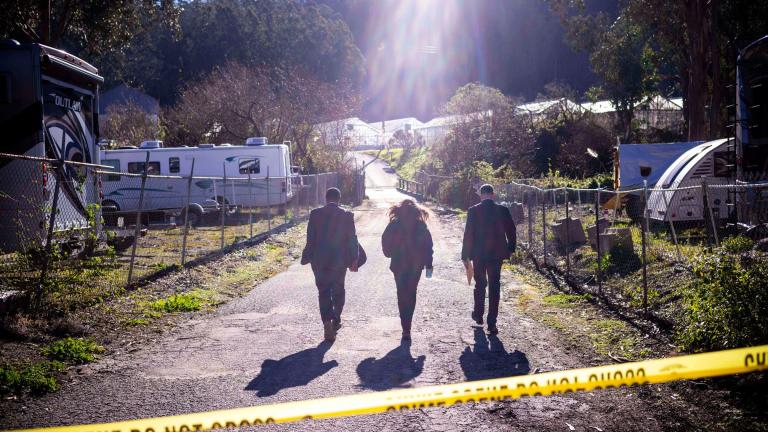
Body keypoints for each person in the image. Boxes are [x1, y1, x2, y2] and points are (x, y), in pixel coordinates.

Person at [301, 187, 359, 342]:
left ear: (326, 199)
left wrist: (308, 256)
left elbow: (310, 238)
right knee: (338, 290)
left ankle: (327, 321)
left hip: (319, 260)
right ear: (339, 199)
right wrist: (355, 258)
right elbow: (352, 238)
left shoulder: (315, 214)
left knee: (323, 291)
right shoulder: (346, 215)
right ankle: (336, 320)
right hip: (339, 261)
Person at [461, 184, 516, 335]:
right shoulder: (502, 210)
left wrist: (465, 254)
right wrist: (511, 249)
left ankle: (478, 315)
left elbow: (468, 234)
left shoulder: (473, 211)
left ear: (481, 195)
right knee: (494, 285)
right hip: (497, 254)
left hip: (479, 254)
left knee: (480, 284)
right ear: (493, 194)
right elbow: (511, 230)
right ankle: (492, 323)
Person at [382, 199, 434, 340]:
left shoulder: (394, 224)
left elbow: (385, 240)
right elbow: (428, 246)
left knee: (401, 292)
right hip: (415, 265)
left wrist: (389, 253)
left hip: (398, 264)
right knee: (411, 292)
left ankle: (404, 326)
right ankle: (407, 327)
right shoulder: (421, 225)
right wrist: (429, 265)